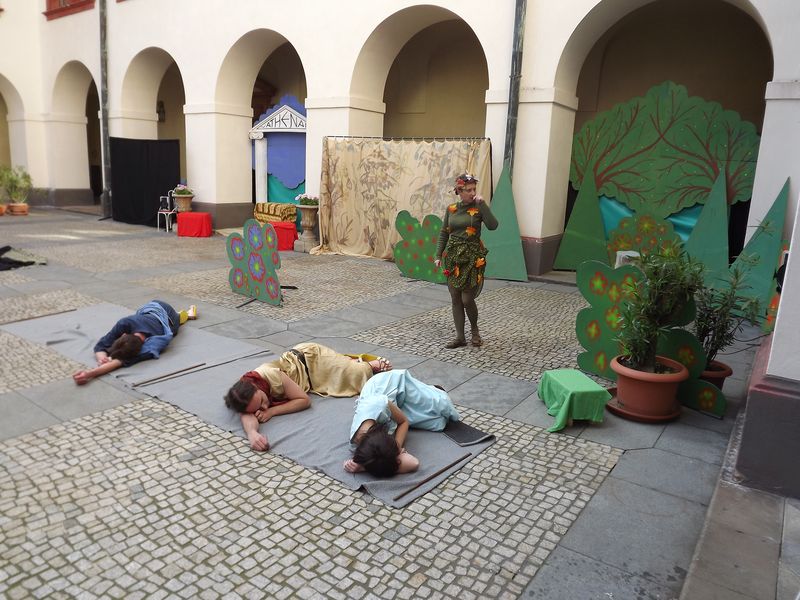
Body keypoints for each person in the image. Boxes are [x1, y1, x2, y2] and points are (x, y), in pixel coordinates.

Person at [224, 342, 393, 451]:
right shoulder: (243, 394)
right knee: (342, 373)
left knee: (358, 374)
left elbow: (304, 400)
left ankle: (366, 364)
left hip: (310, 359)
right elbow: (246, 414)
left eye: (262, 401)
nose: (263, 407)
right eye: (258, 409)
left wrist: (272, 412)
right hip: (308, 379)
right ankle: (344, 362)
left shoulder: (270, 375)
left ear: (256, 387)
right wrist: (252, 434)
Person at [344, 369, 460, 477]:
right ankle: (426, 393)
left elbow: (404, 422)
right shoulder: (363, 447)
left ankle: (432, 389)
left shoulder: (380, 404)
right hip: (393, 406)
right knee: (438, 423)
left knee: (444, 406)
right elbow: (413, 463)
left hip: (392, 385)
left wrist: (397, 447)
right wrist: (366, 466)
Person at [435, 172, 498, 348]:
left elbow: (493, 225)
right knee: (455, 297)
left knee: (467, 299)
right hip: (453, 257)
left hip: (472, 258)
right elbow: (444, 233)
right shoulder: (451, 209)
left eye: (474, 189)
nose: (472, 193)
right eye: (468, 190)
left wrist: (483, 204)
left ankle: (475, 331)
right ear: (459, 191)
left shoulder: (478, 208)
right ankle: (460, 337)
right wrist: (438, 255)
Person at [72, 300, 197, 385]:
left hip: (165, 313)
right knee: (175, 318)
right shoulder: (125, 323)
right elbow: (101, 346)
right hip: (149, 308)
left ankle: (186, 314)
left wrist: (91, 373)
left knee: (177, 321)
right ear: (124, 334)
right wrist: (102, 359)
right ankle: (186, 314)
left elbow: (120, 361)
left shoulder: (157, 341)